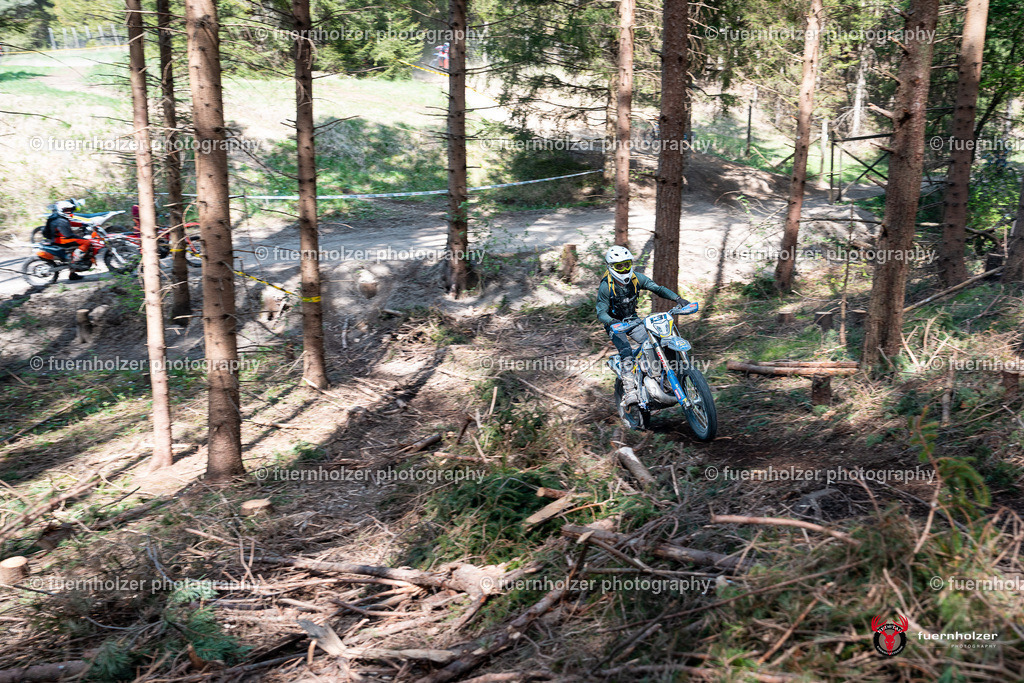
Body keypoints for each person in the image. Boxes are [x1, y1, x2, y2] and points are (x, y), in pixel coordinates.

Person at [596, 245, 689, 405]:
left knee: (656, 342)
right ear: (611, 267)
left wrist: (678, 299)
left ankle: (664, 377)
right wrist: (611, 322)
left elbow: (657, 289)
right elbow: (600, 312)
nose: (624, 269)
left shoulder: (637, 278)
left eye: (627, 264)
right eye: (619, 266)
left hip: (633, 321)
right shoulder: (606, 286)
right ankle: (630, 392)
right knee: (626, 353)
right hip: (615, 325)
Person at [44, 200, 94, 281]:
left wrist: (83, 224)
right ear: (61, 210)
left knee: (78, 244)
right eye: (66, 210)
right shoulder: (61, 220)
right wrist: (79, 237)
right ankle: (75, 262)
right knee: (87, 242)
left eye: (69, 209)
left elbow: (70, 223)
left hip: (58, 238)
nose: (68, 211)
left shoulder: (59, 217)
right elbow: (68, 235)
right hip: (61, 240)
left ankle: (72, 274)